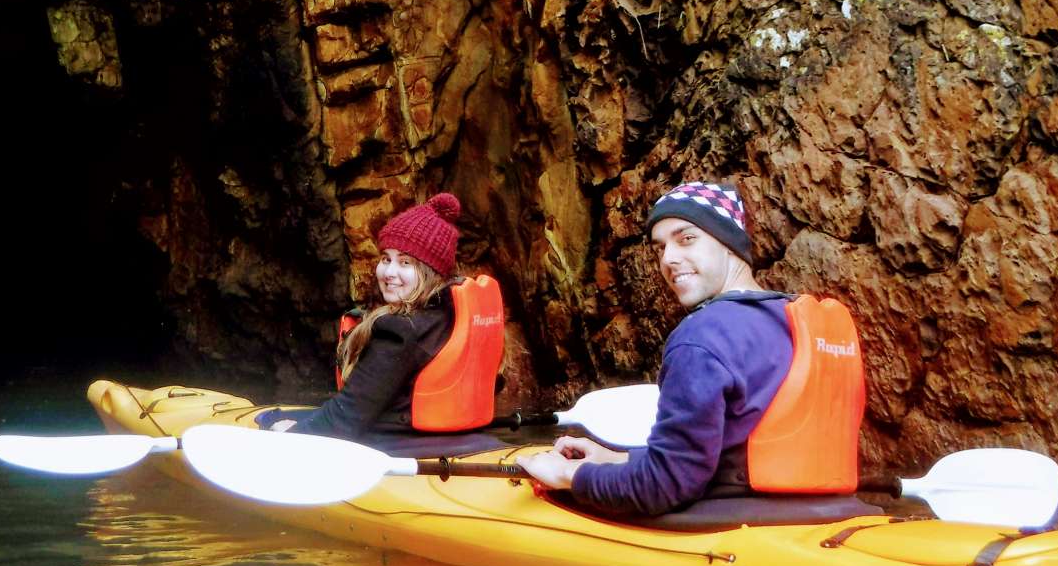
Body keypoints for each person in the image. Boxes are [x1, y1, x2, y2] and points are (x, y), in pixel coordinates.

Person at [518, 181, 798, 517]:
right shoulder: (793, 316)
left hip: (734, 529)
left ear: (729, 243)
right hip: (804, 513)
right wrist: (614, 458)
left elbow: (665, 486)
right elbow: (721, 458)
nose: (668, 259)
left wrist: (569, 474)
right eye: (660, 247)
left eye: (686, 239)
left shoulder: (702, 336)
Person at [256, 193, 467, 445]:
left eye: (406, 262)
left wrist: (286, 430)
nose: (389, 272)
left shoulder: (400, 330)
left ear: (431, 272)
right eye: (386, 259)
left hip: (396, 442)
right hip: (433, 435)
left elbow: (343, 422)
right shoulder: (447, 312)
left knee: (270, 422)